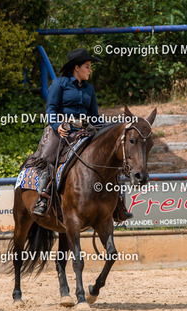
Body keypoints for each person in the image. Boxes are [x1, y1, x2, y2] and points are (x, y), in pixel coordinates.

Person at [31, 48, 133, 221]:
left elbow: (94, 116)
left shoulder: (89, 89)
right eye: (87, 66)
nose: (90, 70)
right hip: (61, 130)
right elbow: (51, 109)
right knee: (48, 157)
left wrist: (108, 130)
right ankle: (43, 198)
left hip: (84, 130)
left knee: (109, 157)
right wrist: (57, 125)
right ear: (76, 67)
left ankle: (118, 204)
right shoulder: (59, 83)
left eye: (90, 67)